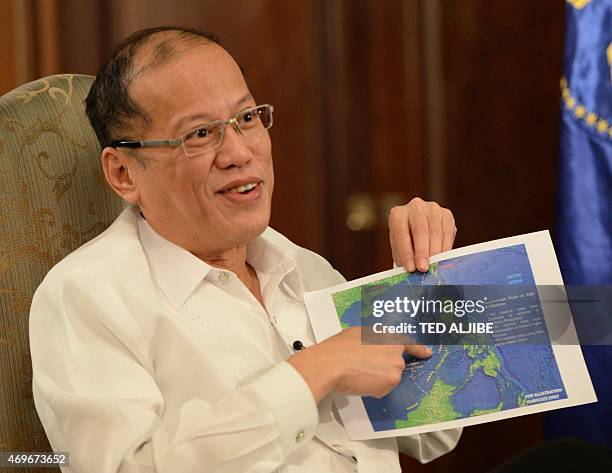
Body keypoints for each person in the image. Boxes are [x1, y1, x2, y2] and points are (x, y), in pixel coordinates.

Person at [29, 26, 462, 473]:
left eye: (247, 118)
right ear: (123, 173)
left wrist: (421, 281)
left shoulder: (303, 267)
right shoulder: (86, 296)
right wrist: (313, 372)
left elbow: (431, 434)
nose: (238, 151)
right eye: (199, 133)